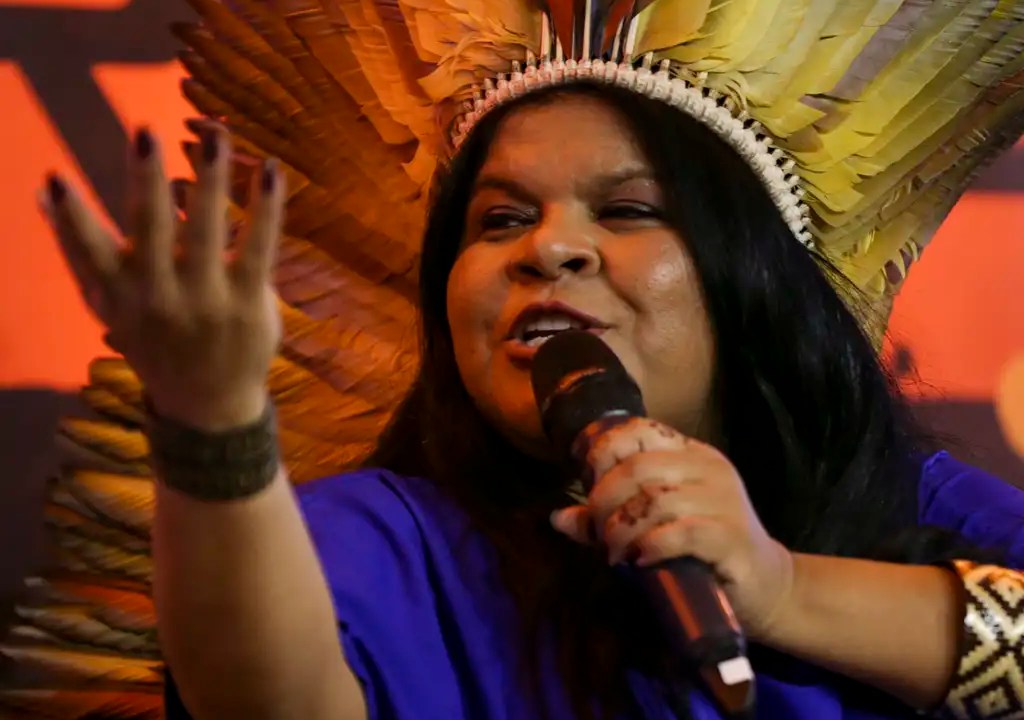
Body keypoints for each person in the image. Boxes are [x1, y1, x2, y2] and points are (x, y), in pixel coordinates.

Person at [33, 3, 1024, 720]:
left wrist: (779, 592)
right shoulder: (386, 539)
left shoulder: (915, 508)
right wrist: (213, 422)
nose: (545, 249)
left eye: (628, 210)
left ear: (754, 284)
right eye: (499, 218)